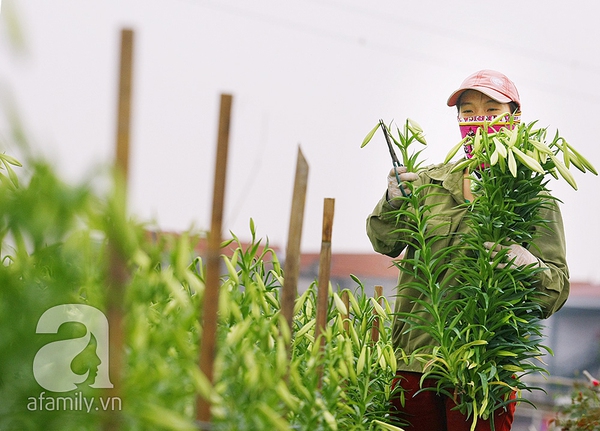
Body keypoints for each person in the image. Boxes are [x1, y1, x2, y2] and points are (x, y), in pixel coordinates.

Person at [366, 70, 570, 431]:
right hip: (417, 363)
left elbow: (554, 291)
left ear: (514, 119)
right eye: (468, 110)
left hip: (485, 368)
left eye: (492, 110)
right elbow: (386, 242)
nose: (479, 120)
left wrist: (529, 265)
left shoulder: (532, 196)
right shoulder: (427, 184)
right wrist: (393, 200)